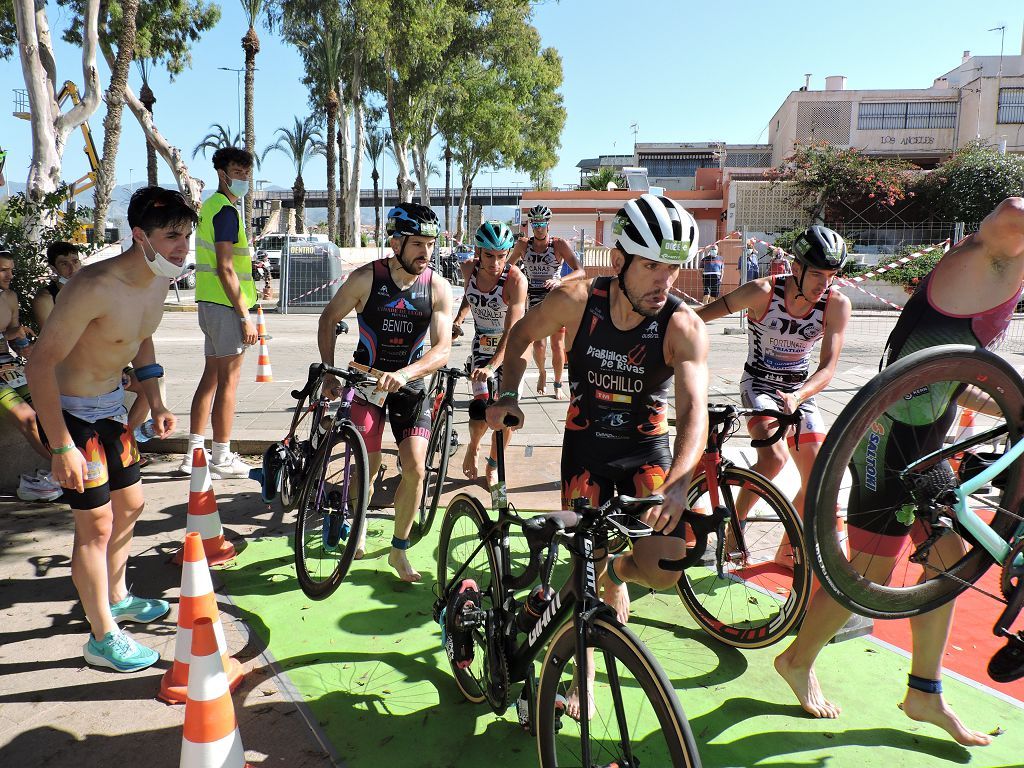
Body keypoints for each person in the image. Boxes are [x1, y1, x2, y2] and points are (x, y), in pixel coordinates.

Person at [774, 199, 1024, 747]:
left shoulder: (1008, 268)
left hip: (925, 437)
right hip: (888, 438)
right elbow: (1012, 208)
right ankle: (798, 660)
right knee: (870, 574)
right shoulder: (999, 251)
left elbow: (950, 381)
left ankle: (924, 692)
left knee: (947, 563)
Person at [488, 192, 709, 665]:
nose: (664, 282)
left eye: (673, 269)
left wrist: (681, 481)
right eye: (652, 267)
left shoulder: (683, 326)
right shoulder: (577, 300)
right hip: (586, 451)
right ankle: (579, 674)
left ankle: (619, 576)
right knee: (585, 564)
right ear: (619, 259)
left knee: (665, 568)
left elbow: (695, 414)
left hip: (647, 455)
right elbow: (523, 336)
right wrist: (508, 394)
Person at [25, 186, 196, 672]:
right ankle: (102, 636)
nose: (182, 246)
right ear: (139, 236)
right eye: (171, 236)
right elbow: (40, 364)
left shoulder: (159, 281)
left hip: (112, 412)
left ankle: (116, 594)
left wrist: (156, 400)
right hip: (70, 415)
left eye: (186, 235)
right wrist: (60, 447)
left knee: (133, 504)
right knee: (95, 524)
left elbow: (141, 338)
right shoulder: (92, 286)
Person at [317, 202, 453, 583]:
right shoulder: (366, 279)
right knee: (370, 465)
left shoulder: (437, 287)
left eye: (430, 244)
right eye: (417, 244)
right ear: (396, 242)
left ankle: (399, 550)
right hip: (366, 382)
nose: (425, 252)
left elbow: (442, 350)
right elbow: (328, 318)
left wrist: (407, 373)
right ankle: (358, 524)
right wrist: (329, 371)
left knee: (414, 468)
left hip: (410, 386)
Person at [696, 226, 851, 558]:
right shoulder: (761, 291)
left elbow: (828, 369)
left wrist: (799, 396)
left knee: (817, 479)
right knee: (774, 458)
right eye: (817, 275)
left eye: (831, 276)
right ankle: (734, 530)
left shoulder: (837, 305)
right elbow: (699, 318)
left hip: (799, 391)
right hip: (759, 385)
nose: (823, 284)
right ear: (796, 268)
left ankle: (787, 549)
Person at [180, 147, 258, 479]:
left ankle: (194, 453)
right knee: (228, 382)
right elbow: (227, 268)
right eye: (236, 172)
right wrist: (245, 315)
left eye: (245, 173)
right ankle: (221, 456)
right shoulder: (226, 211)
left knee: (210, 378)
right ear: (221, 174)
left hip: (209, 304)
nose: (242, 178)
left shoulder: (210, 206)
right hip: (227, 307)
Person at [451, 221, 528, 487]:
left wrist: (494, 366)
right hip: (482, 344)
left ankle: (494, 464)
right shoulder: (468, 269)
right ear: (478, 251)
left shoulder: (516, 280)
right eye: (489, 256)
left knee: (505, 412)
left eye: (501, 256)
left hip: (512, 347)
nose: (495, 263)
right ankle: (473, 447)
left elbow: (512, 329)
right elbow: (468, 297)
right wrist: (459, 320)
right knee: (480, 408)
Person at [0, 249, 63, 501]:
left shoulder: (10, 297)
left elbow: (15, 340)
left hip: (11, 368)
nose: (10, 275)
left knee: (46, 410)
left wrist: (26, 346)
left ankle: (60, 468)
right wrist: (9, 336)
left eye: (12, 269)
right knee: (26, 418)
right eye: (3, 269)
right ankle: (64, 467)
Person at [509, 204, 585, 399]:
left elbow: (580, 271)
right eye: (535, 224)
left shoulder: (558, 244)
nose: (538, 228)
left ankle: (558, 383)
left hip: (555, 297)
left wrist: (560, 280)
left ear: (548, 225)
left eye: (542, 223)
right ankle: (542, 372)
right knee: (538, 345)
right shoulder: (523, 245)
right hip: (533, 297)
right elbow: (507, 268)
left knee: (557, 344)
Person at [32, 241, 82, 329]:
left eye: (75, 261)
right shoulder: (45, 299)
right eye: (64, 264)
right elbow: (49, 337)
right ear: (53, 268)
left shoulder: (91, 288)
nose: (73, 268)